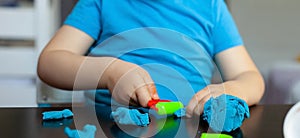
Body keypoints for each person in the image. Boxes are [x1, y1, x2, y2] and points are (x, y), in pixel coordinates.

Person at [37, 0, 265, 118]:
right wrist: (109, 72)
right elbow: (50, 62)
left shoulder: (211, 7)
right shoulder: (102, 2)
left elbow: (250, 78)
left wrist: (234, 89)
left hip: (188, 130)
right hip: (107, 129)